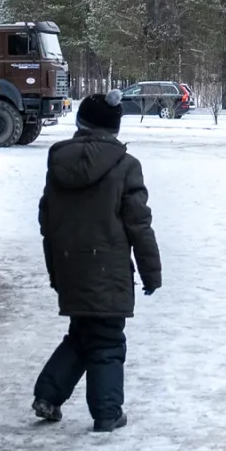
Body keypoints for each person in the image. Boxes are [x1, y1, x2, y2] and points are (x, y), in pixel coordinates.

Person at [33, 90, 162, 432]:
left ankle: (47, 395)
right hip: (108, 270)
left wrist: (56, 269)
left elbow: (47, 218)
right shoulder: (125, 166)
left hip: (69, 266)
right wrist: (152, 272)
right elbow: (138, 224)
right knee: (106, 340)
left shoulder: (58, 160)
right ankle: (107, 413)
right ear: (115, 128)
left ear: (80, 123)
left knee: (83, 333)